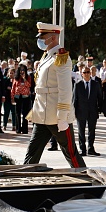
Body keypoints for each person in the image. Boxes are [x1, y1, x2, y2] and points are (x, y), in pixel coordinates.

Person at [23, 22, 85, 168]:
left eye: (42, 37)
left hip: (56, 116)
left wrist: (63, 116)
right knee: (32, 152)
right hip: (42, 114)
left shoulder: (61, 57)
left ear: (52, 38)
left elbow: (65, 89)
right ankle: (24, 178)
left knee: (70, 152)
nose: (40, 41)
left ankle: (86, 179)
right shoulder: (47, 56)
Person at [73, 63, 103, 156]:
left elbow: (100, 97)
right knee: (81, 131)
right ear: (81, 74)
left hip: (93, 111)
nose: (86, 74)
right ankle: (82, 149)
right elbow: (74, 99)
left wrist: (100, 109)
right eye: (84, 72)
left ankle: (91, 148)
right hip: (80, 111)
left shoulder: (96, 84)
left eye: (88, 72)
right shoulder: (78, 85)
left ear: (90, 73)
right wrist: (73, 112)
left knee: (92, 131)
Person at [11, 64, 32, 134]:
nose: (22, 71)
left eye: (23, 70)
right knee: (18, 113)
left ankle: (24, 129)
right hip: (18, 97)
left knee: (25, 113)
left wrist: (24, 78)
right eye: (21, 70)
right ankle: (18, 129)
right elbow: (13, 88)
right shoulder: (16, 78)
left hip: (25, 97)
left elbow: (29, 85)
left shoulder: (28, 77)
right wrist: (12, 97)